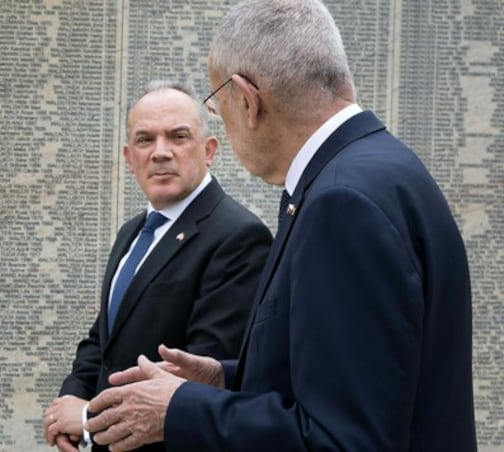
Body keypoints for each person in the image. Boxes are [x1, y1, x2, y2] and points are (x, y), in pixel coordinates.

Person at [85, 1, 477, 451]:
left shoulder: (342, 204)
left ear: (248, 100)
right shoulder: (381, 168)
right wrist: (224, 378)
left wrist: (179, 409)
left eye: (217, 107)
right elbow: (354, 379)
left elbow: (343, 440)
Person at [42, 80, 272, 451]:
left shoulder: (239, 238)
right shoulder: (132, 233)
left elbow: (200, 381)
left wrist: (87, 420)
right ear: (129, 157)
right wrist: (68, 400)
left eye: (178, 136)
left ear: (209, 150)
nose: (160, 153)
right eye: (145, 140)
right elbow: (104, 339)